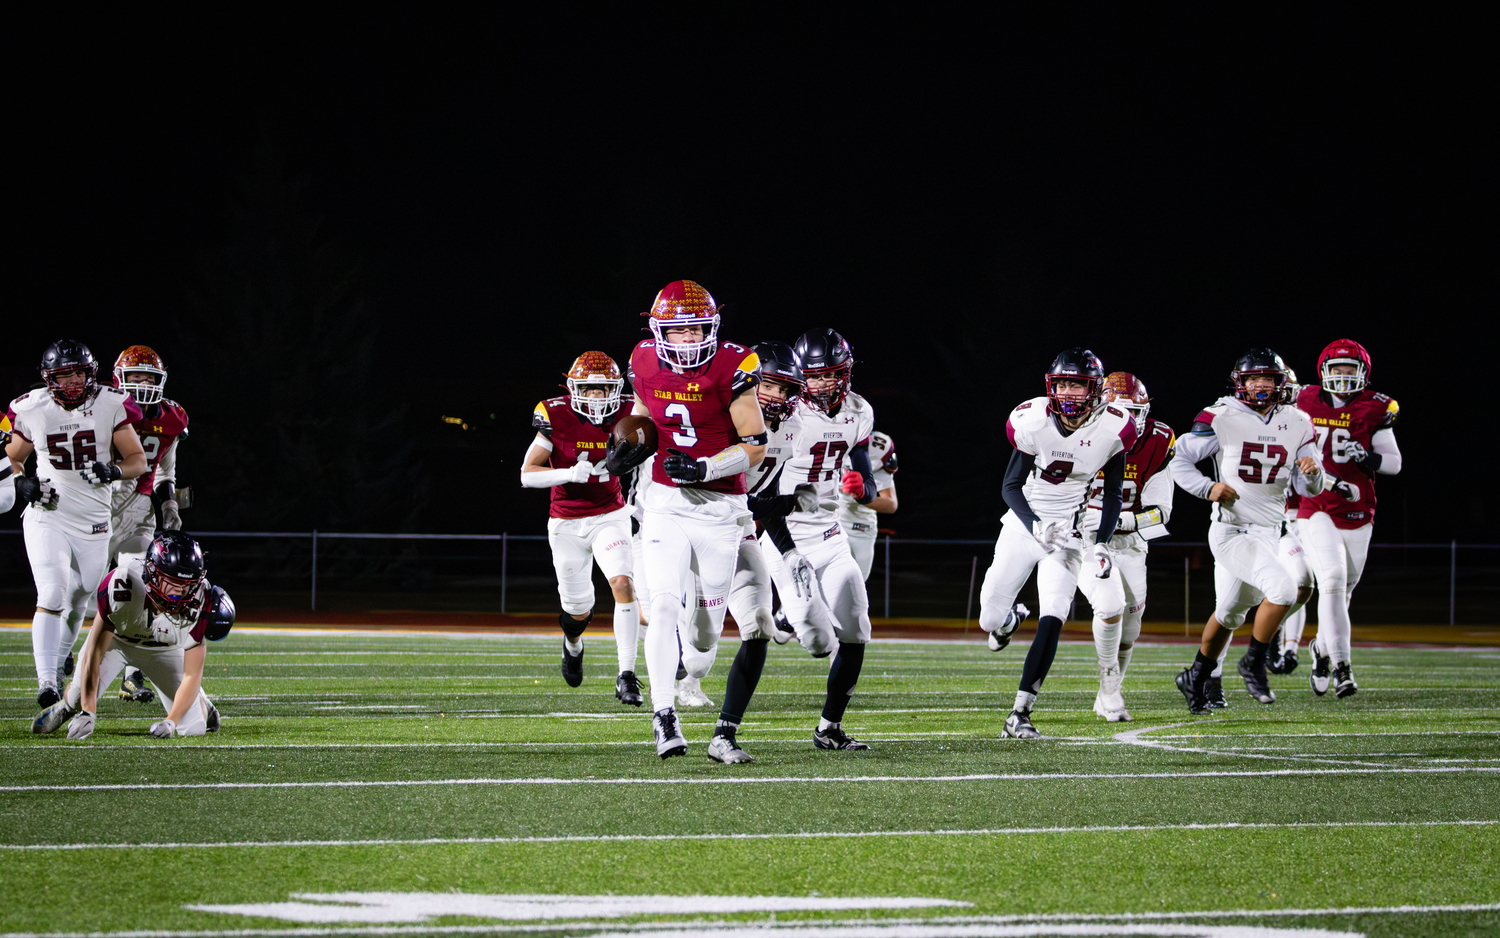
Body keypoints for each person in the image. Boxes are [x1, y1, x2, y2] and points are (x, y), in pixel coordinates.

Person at [610, 280, 767, 759]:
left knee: (702, 637)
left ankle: (690, 671)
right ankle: (664, 715)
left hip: (719, 508)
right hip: (665, 502)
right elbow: (643, 416)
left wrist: (704, 467)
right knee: (661, 604)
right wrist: (628, 447)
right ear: (659, 331)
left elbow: (755, 447)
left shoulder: (734, 365)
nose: (689, 338)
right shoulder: (642, 360)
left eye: (697, 328)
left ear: (712, 327)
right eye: (679, 330)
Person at [978, 348, 1135, 739]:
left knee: (1054, 614)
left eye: (1076, 385)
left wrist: (1101, 544)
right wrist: (1035, 526)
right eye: (1062, 383)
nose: (1067, 392)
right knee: (988, 621)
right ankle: (1009, 621)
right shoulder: (1032, 420)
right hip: (1023, 526)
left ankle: (1020, 713)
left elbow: (1113, 494)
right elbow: (1010, 486)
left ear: (1094, 390)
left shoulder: (1114, 428)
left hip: (1067, 534)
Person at [1171, 348, 1331, 713]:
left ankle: (1195, 676)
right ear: (1239, 382)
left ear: (1280, 383)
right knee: (1284, 588)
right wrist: (1207, 487)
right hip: (1232, 531)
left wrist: (1312, 472)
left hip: (1270, 532)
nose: (1260, 385)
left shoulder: (1298, 421)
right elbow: (1178, 458)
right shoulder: (1222, 415)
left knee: (1229, 613)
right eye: (1253, 378)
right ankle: (1254, 662)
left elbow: (1309, 489)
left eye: (1268, 379)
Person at [695, 339, 818, 763]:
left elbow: (759, 501)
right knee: (699, 647)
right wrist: (790, 504)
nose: (777, 397)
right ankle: (676, 674)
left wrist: (789, 551)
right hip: (697, 528)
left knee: (760, 623)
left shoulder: (792, 428)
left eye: (785, 389)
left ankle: (724, 735)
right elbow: (732, 495)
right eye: (769, 385)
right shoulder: (719, 415)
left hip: (740, 529)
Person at [6, 340, 146, 707]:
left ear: (90, 373)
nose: (73, 382)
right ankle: (47, 680)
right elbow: (12, 459)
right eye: (64, 375)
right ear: (49, 378)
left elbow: (137, 459)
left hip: (95, 520)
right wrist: (21, 482)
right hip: (48, 514)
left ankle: (60, 661)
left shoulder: (110, 403)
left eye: (79, 373)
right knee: (52, 593)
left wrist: (113, 470)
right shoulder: (32, 408)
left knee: (81, 594)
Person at [522, 351, 642, 705]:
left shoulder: (630, 412)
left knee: (623, 583)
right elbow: (527, 474)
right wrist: (567, 474)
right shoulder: (556, 415)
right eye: (589, 389)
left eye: (603, 390)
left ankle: (626, 675)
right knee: (578, 611)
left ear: (615, 390)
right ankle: (573, 644)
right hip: (567, 522)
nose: (597, 397)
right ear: (575, 389)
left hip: (610, 514)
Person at [32, 530, 235, 739]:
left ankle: (200, 703)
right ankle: (66, 706)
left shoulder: (202, 599)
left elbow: (192, 674)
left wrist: (170, 722)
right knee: (78, 697)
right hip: (117, 643)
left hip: (164, 650)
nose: (180, 593)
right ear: (153, 573)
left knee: (193, 728)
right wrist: (87, 711)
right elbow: (95, 652)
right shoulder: (122, 583)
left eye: (187, 585)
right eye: (173, 583)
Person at [1296, 339, 1402, 698]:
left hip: (1358, 508)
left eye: (1349, 369)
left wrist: (1367, 457)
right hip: (1315, 504)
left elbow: (1394, 463)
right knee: (1332, 579)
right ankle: (1343, 668)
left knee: (1344, 591)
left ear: (1363, 373)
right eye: (1336, 368)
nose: (1342, 375)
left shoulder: (1375, 406)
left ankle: (1321, 650)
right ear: (1323, 371)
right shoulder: (1303, 398)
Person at [1074, 372, 1174, 722]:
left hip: (1130, 543)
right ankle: (1110, 690)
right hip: (1085, 539)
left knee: (1130, 630)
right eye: (1118, 412)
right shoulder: (1079, 434)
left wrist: (1120, 521)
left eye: (1134, 412)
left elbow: (1161, 513)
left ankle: (1109, 692)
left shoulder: (1158, 440)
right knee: (1108, 605)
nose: (1126, 421)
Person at [108, 345, 192, 705]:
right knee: (77, 592)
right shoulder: (103, 408)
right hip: (94, 507)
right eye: (135, 377)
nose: (143, 383)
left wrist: (170, 504)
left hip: (139, 510)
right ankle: (61, 660)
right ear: (119, 379)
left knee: (142, 588)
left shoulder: (172, 417)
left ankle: (132, 675)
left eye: (149, 377)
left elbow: (165, 471)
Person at [838, 431, 898, 580]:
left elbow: (891, 504)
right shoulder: (822, 434)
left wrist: (863, 496)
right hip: (825, 520)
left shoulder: (878, 447)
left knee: (854, 585)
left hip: (859, 527)